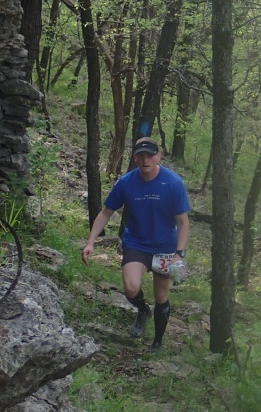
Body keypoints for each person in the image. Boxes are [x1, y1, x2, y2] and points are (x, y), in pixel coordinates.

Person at [81, 137, 190, 352]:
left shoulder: (173, 183)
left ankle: (157, 342)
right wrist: (90, 242)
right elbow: (106, 212)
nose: (145, 160)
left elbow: (183, 221)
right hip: (136, 243)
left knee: (161, 296)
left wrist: (179, 254)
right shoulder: (126, 182)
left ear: (158, 157)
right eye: (141, 155)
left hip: (165, 247)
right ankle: (142, 310)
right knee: (131, 288)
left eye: (150, 155)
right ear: (135, 158)